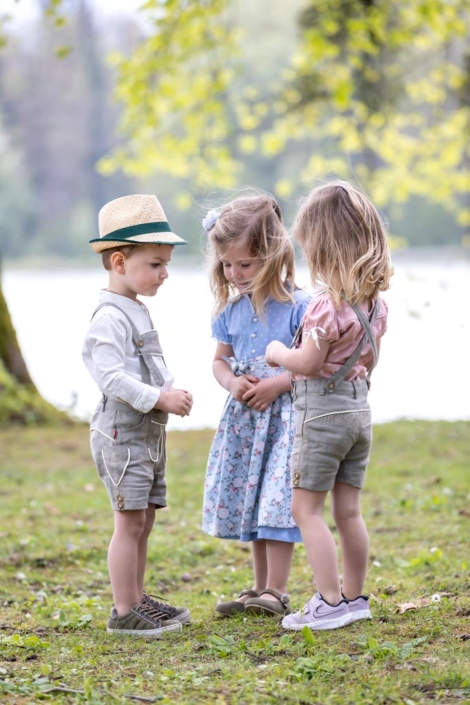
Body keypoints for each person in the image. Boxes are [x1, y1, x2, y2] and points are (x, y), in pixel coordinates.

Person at [266, 180, 393, 631]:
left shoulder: (325, 305)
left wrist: (278, 352)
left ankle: (329, 600)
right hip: (359, 413)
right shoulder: (374, 305)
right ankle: (355, 597)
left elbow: (310, 362)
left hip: (322, 414)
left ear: (324, 247)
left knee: (306, 510)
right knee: (349, 511)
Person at [82, 194, 194, 637]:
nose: (164, 273)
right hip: (121, 432)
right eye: (155, 263)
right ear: (119, 261)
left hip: (146, 432)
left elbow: (144, 362)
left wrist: (169, 390)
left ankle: (137, 596)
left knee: (144, 517)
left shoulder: (134, 307)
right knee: (128, 520)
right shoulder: (108, 315)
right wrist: (158, 398)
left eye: (165, 263)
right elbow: (110, 376)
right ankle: (124, 609)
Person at [201, 192, 311, 618]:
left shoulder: (299, 308)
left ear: (272, 256)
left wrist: (276, 385)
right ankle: (259, 585)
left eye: (244, 264)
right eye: (227, 264)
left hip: (284, 418)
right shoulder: (229, 311)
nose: (235, 273)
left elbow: (311, 367)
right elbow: (219, 362)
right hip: (246, 419)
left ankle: (278, 591)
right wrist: (232, 383)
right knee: (253, 499)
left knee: (277, 501)